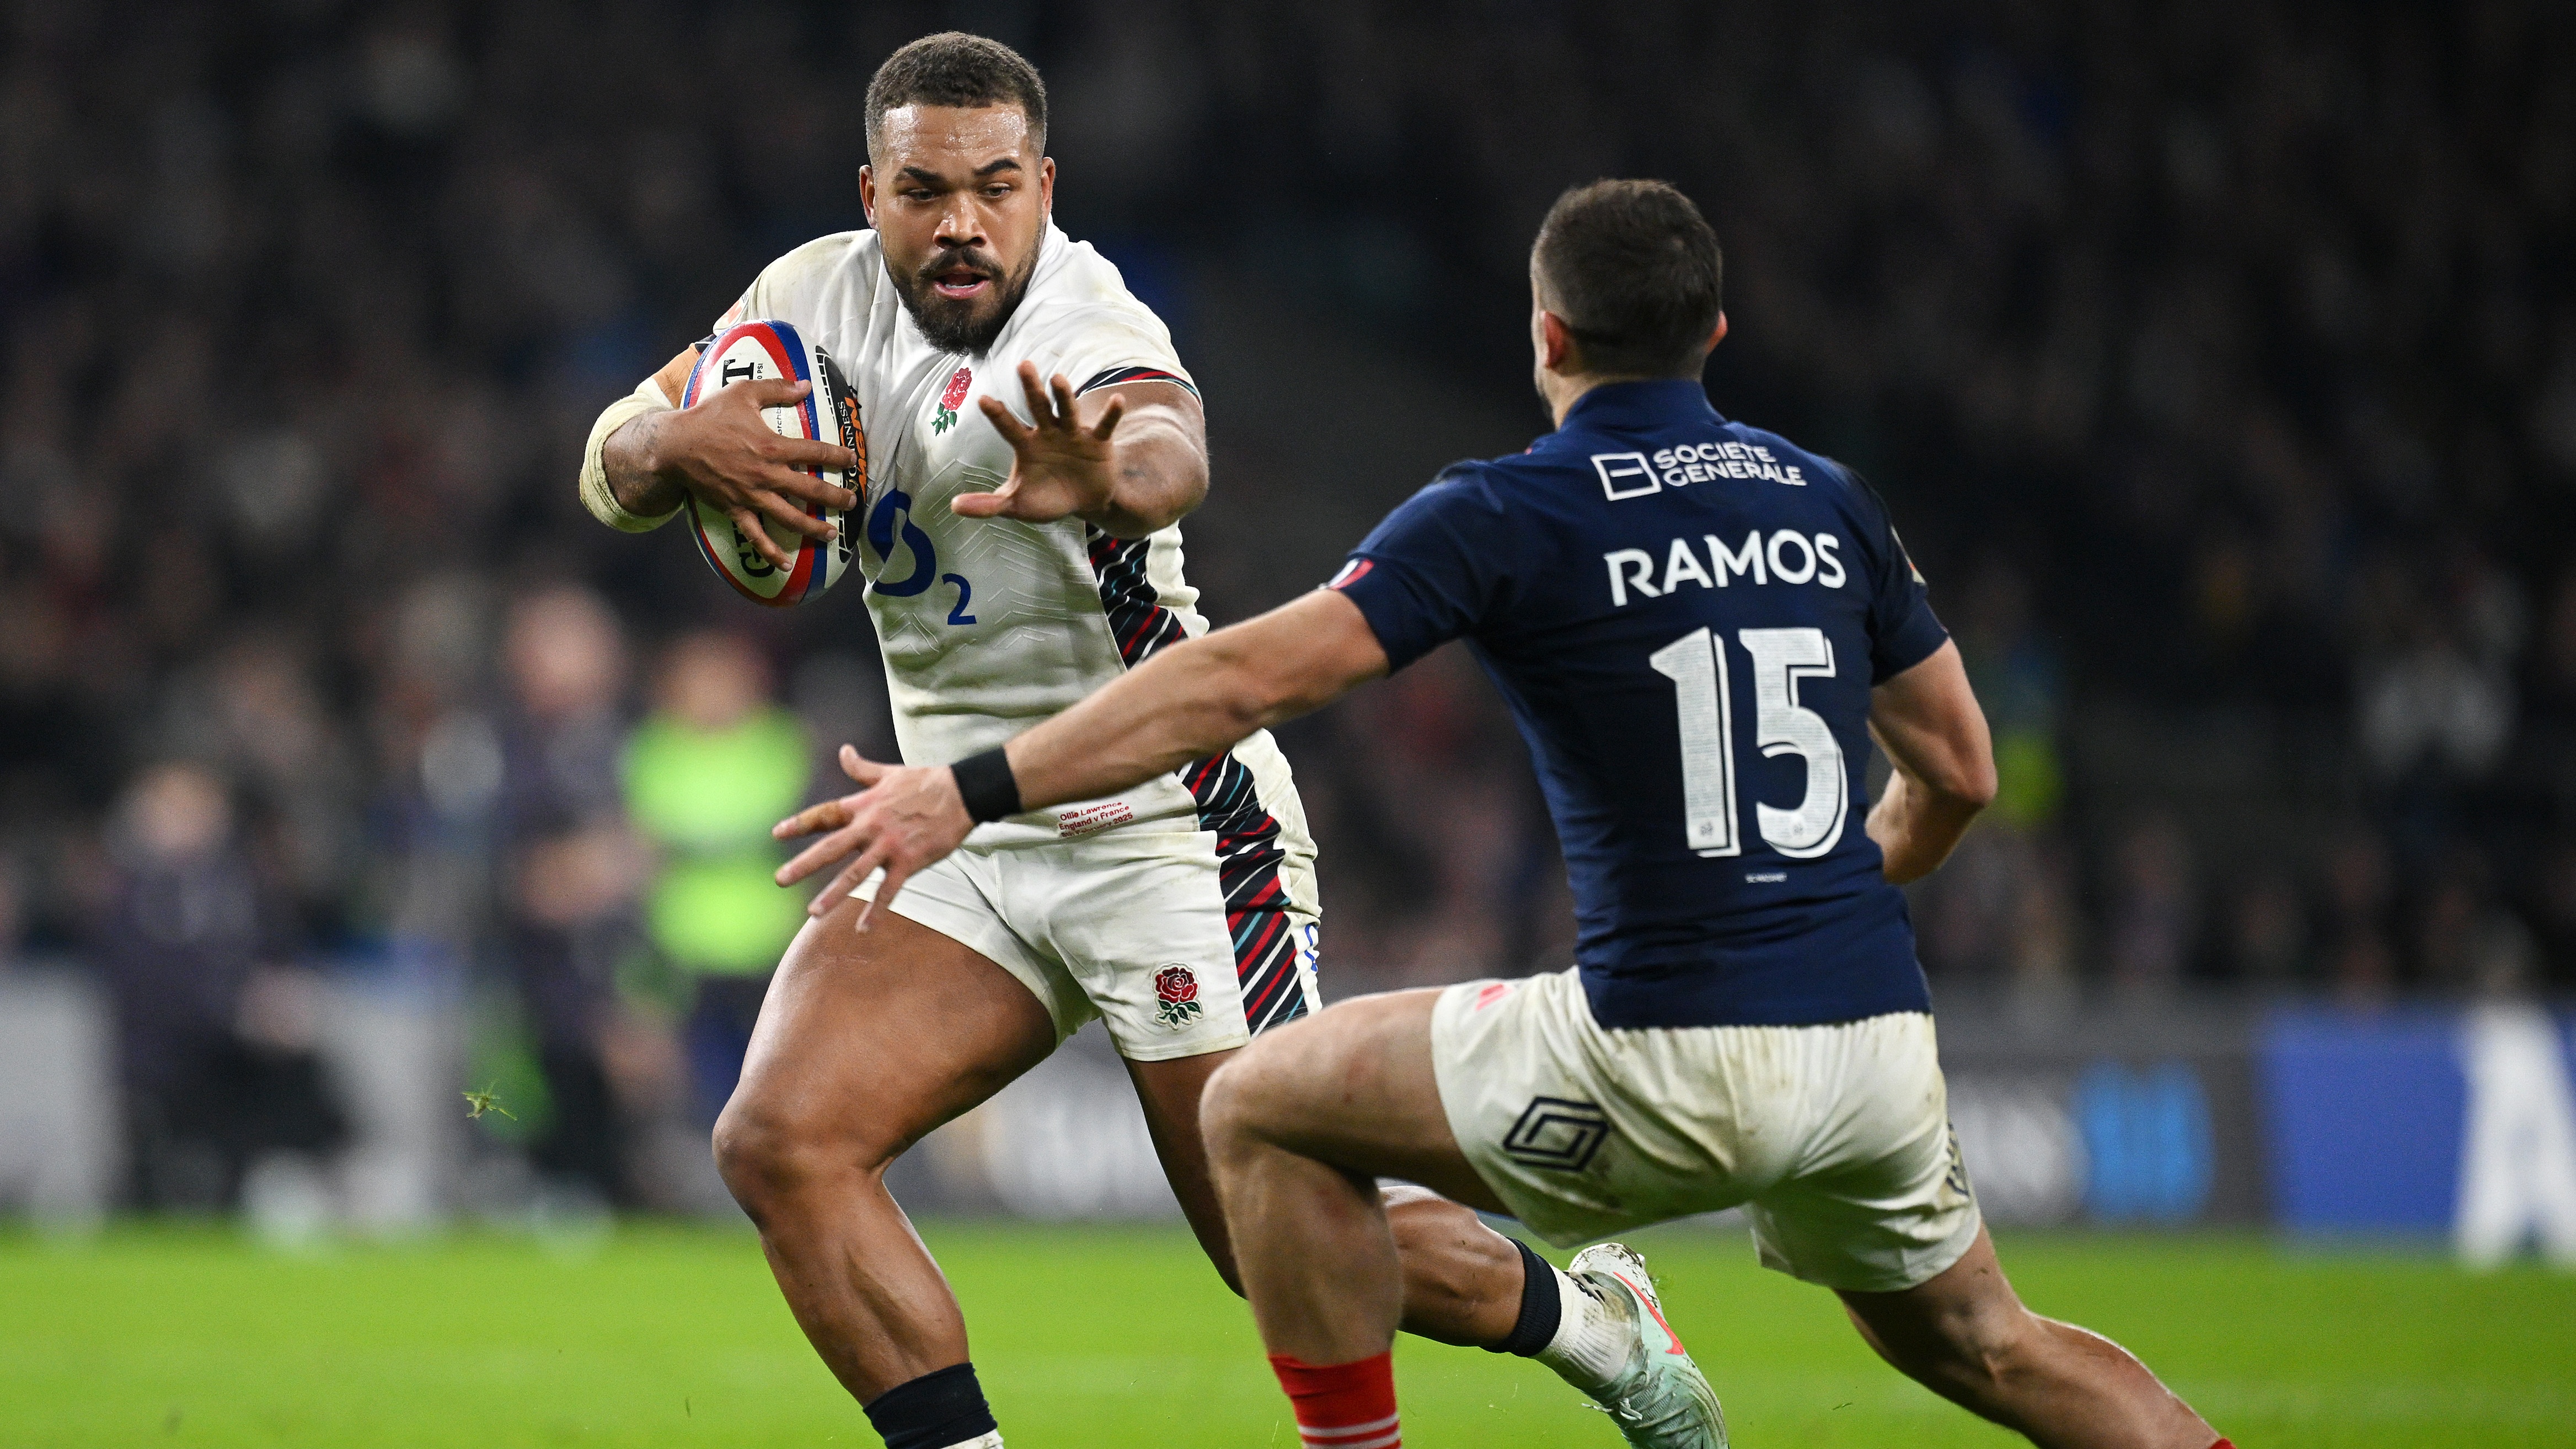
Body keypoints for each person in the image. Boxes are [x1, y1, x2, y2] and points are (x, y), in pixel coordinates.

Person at [779, 180, 2234, 1449]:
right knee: (1994, 1342)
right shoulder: (1827, 495)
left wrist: (970, 784)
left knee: (1260, 1109)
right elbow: (1963, 770)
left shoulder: (1507, 509)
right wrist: (1838, 886)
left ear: (1544, 336)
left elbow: (1235, 681)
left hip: (1665, 1046)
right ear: (1715, 335)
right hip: (1870, 1046)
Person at [575, 33, 1627, 1449]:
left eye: (996, 188)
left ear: (1044, 187)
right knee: (780, 1141)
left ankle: (1597, 1328)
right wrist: (676, 447)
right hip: (957, 818)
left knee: (1269, 1243)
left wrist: (1114, 481)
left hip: (1164, 823)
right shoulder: (804, 297)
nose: (961, 222)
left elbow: (1167, 441)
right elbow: (611, 458)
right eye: (925, 189)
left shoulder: (1080, 320)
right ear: (870, 191)